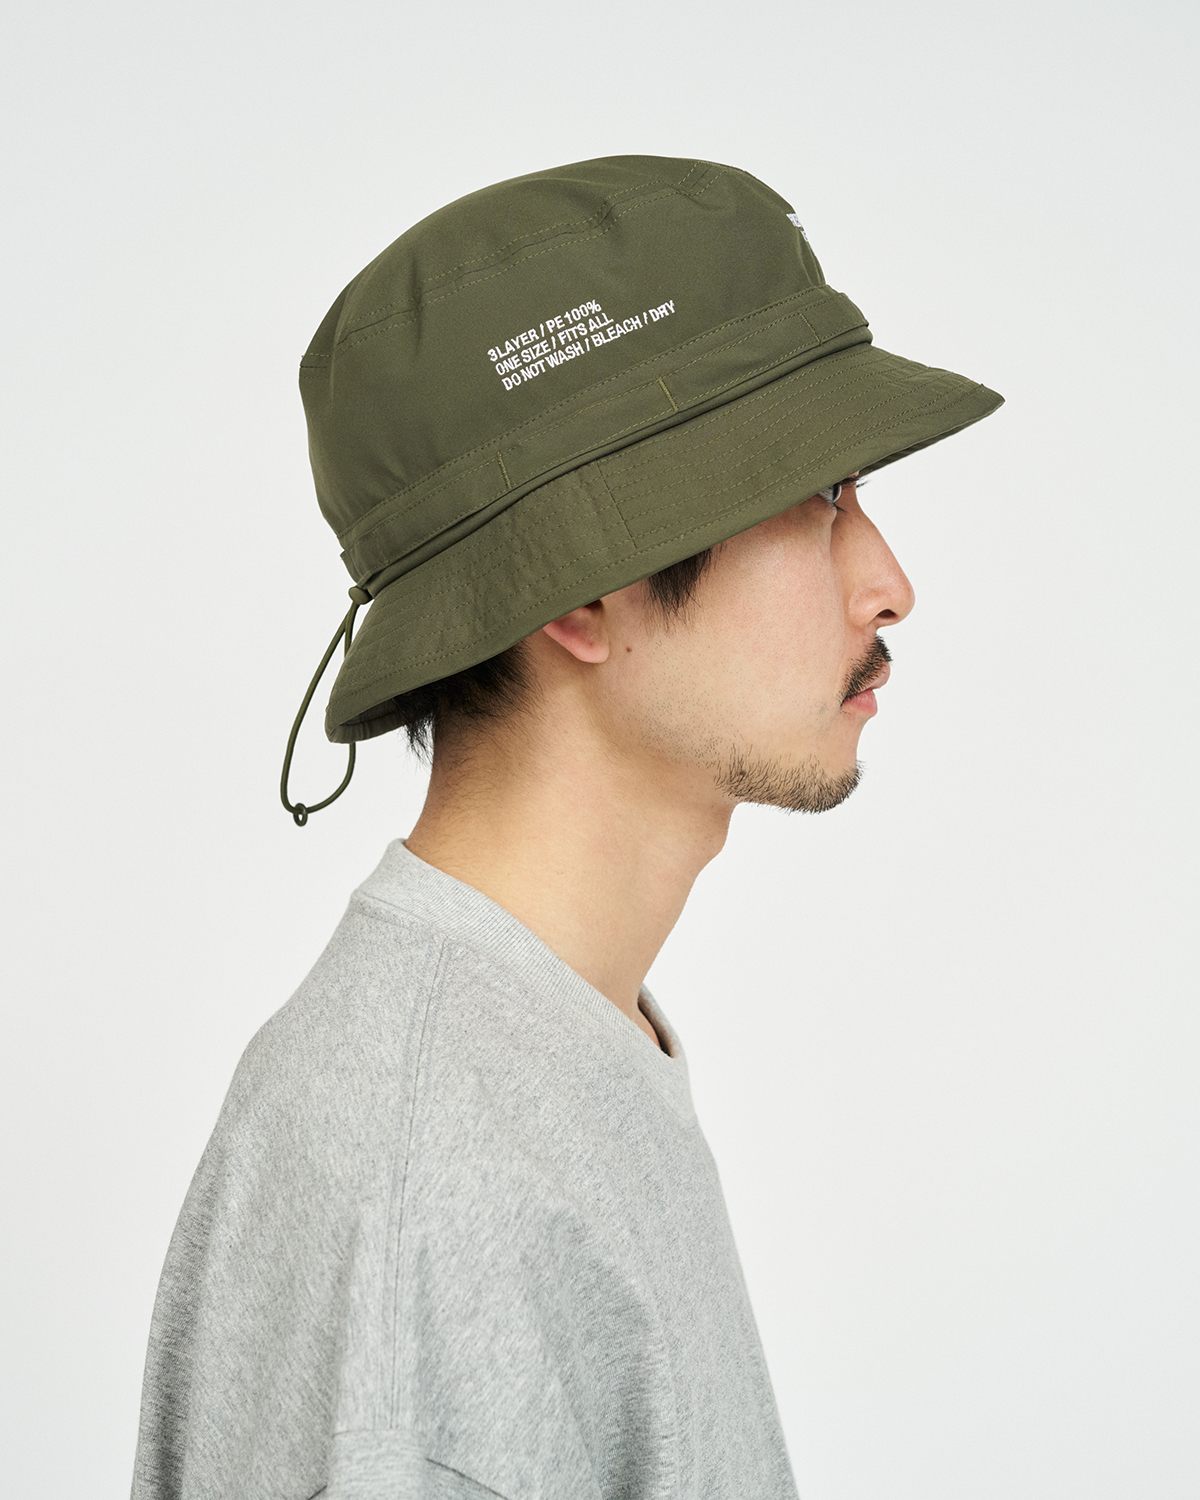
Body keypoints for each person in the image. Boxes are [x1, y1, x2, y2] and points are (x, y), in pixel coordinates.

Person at [131, 155, 1002, 1499]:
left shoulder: (551, 1044)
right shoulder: (429, 1189)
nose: (890, 584)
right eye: (817, 496)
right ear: (579, 594)